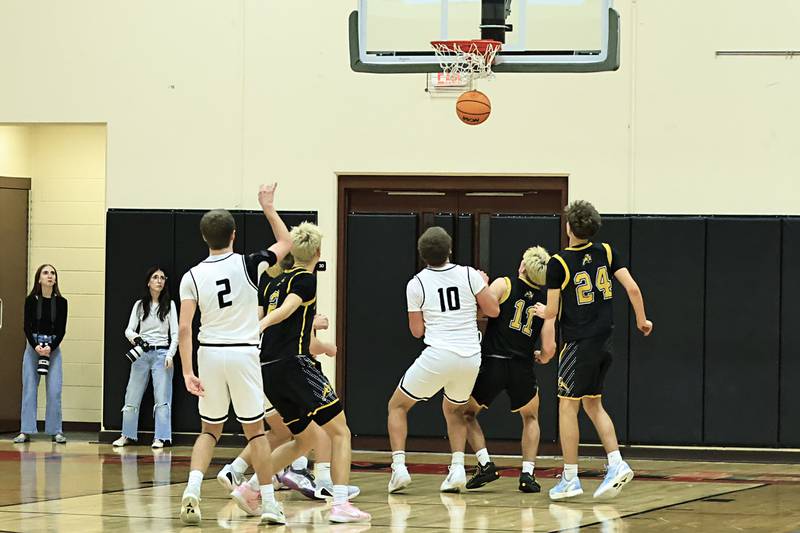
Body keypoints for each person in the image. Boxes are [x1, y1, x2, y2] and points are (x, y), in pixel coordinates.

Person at [177, 183, 292, 525]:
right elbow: (286, 242)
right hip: (242, 354)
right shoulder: (249, 263)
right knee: (255, 433)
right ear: (233, 235)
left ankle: (192, 491)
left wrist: (187, 371)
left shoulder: (192, 275)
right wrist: (268, 207)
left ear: (204, 238)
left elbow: (184, 329)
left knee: (209, 431)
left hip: (209, 355)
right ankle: (268, 502)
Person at [533, 200, 653, 501]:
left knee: (567, 406)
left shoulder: (558, 263)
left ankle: (570, 478)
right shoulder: (607, 252)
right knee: (593, 404)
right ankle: (616, 462)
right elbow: (633, 288)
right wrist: (642, 320)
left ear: (569, 227)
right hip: (604, 341)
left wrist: (542, 311)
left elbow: (552, 311)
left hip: (578, 343)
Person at [254, 222, 370, 523]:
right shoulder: (305, 280)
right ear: (318, 252)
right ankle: (340, 504)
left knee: (303, 440)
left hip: (268, 369)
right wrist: (262, 324)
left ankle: (251, 489)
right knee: (341, 432)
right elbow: (287, 309)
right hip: (295, 365)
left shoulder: (272, 281)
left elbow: (273, 313)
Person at [387, 226, 500, 494]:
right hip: (470, 356)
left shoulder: (416, 284)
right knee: (455, 410)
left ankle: (399, 468)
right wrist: (482, 285)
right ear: (450, 250)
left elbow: (417, 331)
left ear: (422, 254)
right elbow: (493, 310)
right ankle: (458, 468)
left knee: (397, 406)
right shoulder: (470, 274)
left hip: (438, 354)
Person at [463, 246, 557, 493]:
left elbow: (481, 309)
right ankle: (527, 474)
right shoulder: (546, 306)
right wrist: (542, 356)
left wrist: (482, 285)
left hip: (493, 362)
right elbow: (549, 349)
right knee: (531, 417)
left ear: (523, 266)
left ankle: (485, 464)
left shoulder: (504, 284)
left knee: (465, 414)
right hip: (521, 366)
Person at [112, 267, 179, 449]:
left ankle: (161, 437)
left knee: (162, 397)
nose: (159, 281)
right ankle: (127, 434)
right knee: (132, 394)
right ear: (148, 282)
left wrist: (170, 354)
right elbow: (129, 330)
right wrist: (137, 339)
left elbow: (175, 333)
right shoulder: (140, 305)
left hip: (162, 353)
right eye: (155, 277)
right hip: (141, 353)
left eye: (162, 278)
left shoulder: (170, 305)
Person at [14, 264, 68, 444]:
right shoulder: (31, 300)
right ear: (39, 279)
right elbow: (26, 327)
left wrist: (50, 347)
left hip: (53, 348)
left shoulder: (61, 302)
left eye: (53, 273)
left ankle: (55, 431)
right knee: (29, 389)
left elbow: (61, 330)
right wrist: (36, 346)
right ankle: (26, 430)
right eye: (45, 273)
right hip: (33, 348)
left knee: (54, 390)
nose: (50, 276)